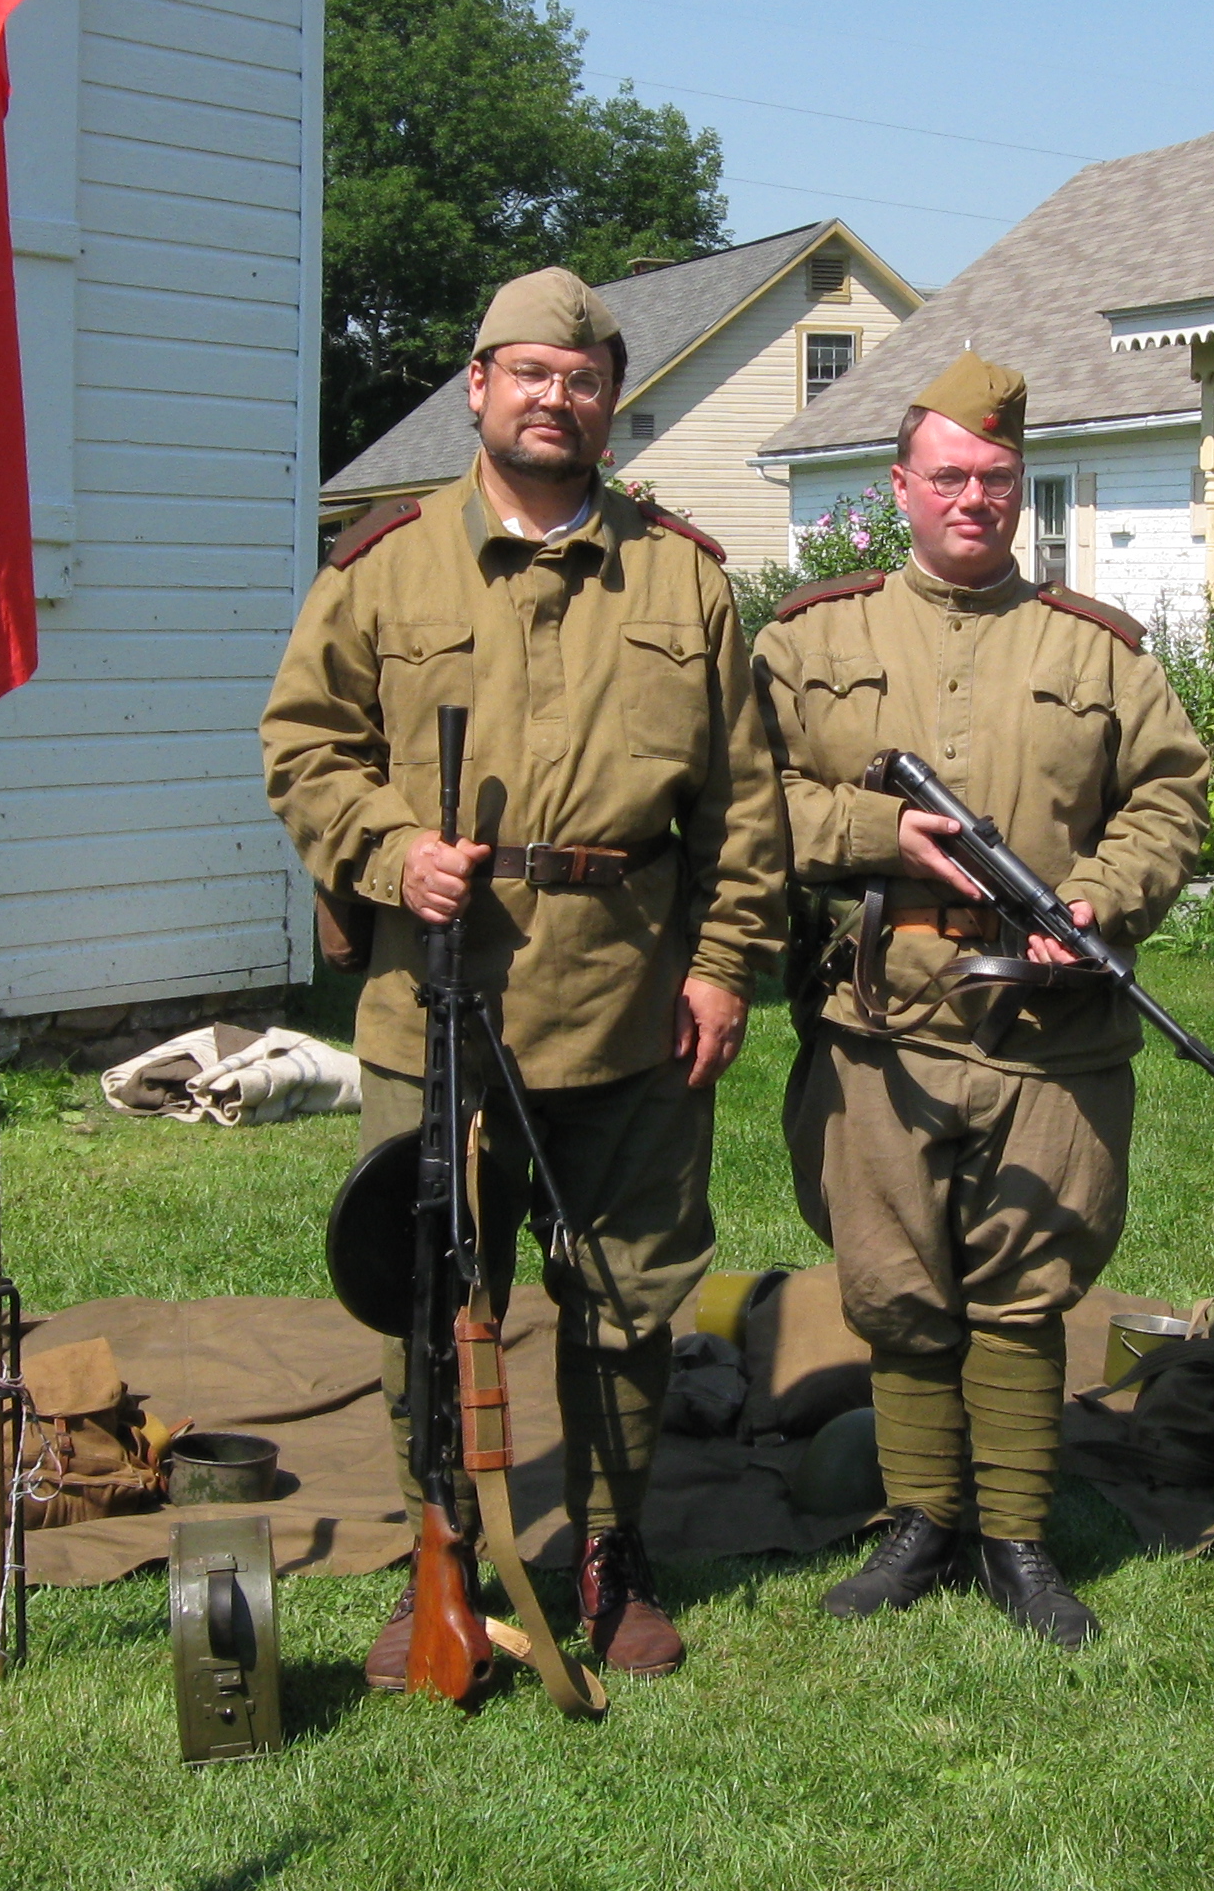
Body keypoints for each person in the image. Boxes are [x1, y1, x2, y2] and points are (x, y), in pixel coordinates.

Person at [260, 267, 786, 1686]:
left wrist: (727, 968)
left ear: (613, 402)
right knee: (430, 1295)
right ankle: (442, 1550)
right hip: (440, 999)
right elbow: (303, 747)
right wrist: (387, 850)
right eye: (532, 374)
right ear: (479, 387)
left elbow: (744, 804)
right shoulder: (380, 570)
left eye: (587, 378)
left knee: (628, 1298)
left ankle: (611, 1560)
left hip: (631, 997)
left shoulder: (682, 575)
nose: (559, 398)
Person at [753, 353, 1211, 1647]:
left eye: (997, 479)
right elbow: (744, 800)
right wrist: (872, 831)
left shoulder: (1098, 650)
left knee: (1024, 1284)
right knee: (896, 1283)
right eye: (949, 476)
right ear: (901, 486)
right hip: (878, 1015)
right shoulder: (812, 638)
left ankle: (1016, 1538)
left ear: (1023, 489)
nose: (974, 499)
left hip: (1047, 1020)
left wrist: (1104, 903)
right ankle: (920, 1526)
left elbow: (1173, 794)